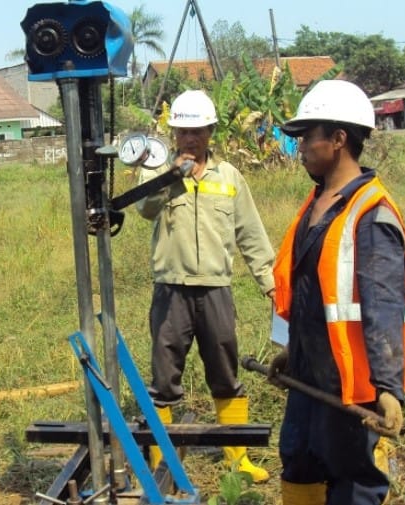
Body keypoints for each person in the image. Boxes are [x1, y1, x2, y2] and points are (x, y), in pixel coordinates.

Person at [267, 80, 405, 505]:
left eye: (307, 138)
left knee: (353, 479)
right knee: (298, 461)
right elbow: (313, 292)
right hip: (310, 374)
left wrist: (388, 388)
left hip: (351, 383)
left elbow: (383, 305)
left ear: (338, 139)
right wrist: (292, 350)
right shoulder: (318, 204)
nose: (300, 149)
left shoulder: (371, 216)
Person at [135, 89, 275, 483]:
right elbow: (144, 210)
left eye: (198, 131)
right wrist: (171, 176)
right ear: (173, 132)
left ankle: (238, 460)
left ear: (211, 131)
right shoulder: (157, 172)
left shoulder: (229, 178)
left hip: (216, 290)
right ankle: (157, 460)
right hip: (171, 290)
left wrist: (269, 282)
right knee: (163, 378)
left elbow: (250, 233)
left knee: (226, 372)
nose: (190, 139)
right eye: (183, 131)